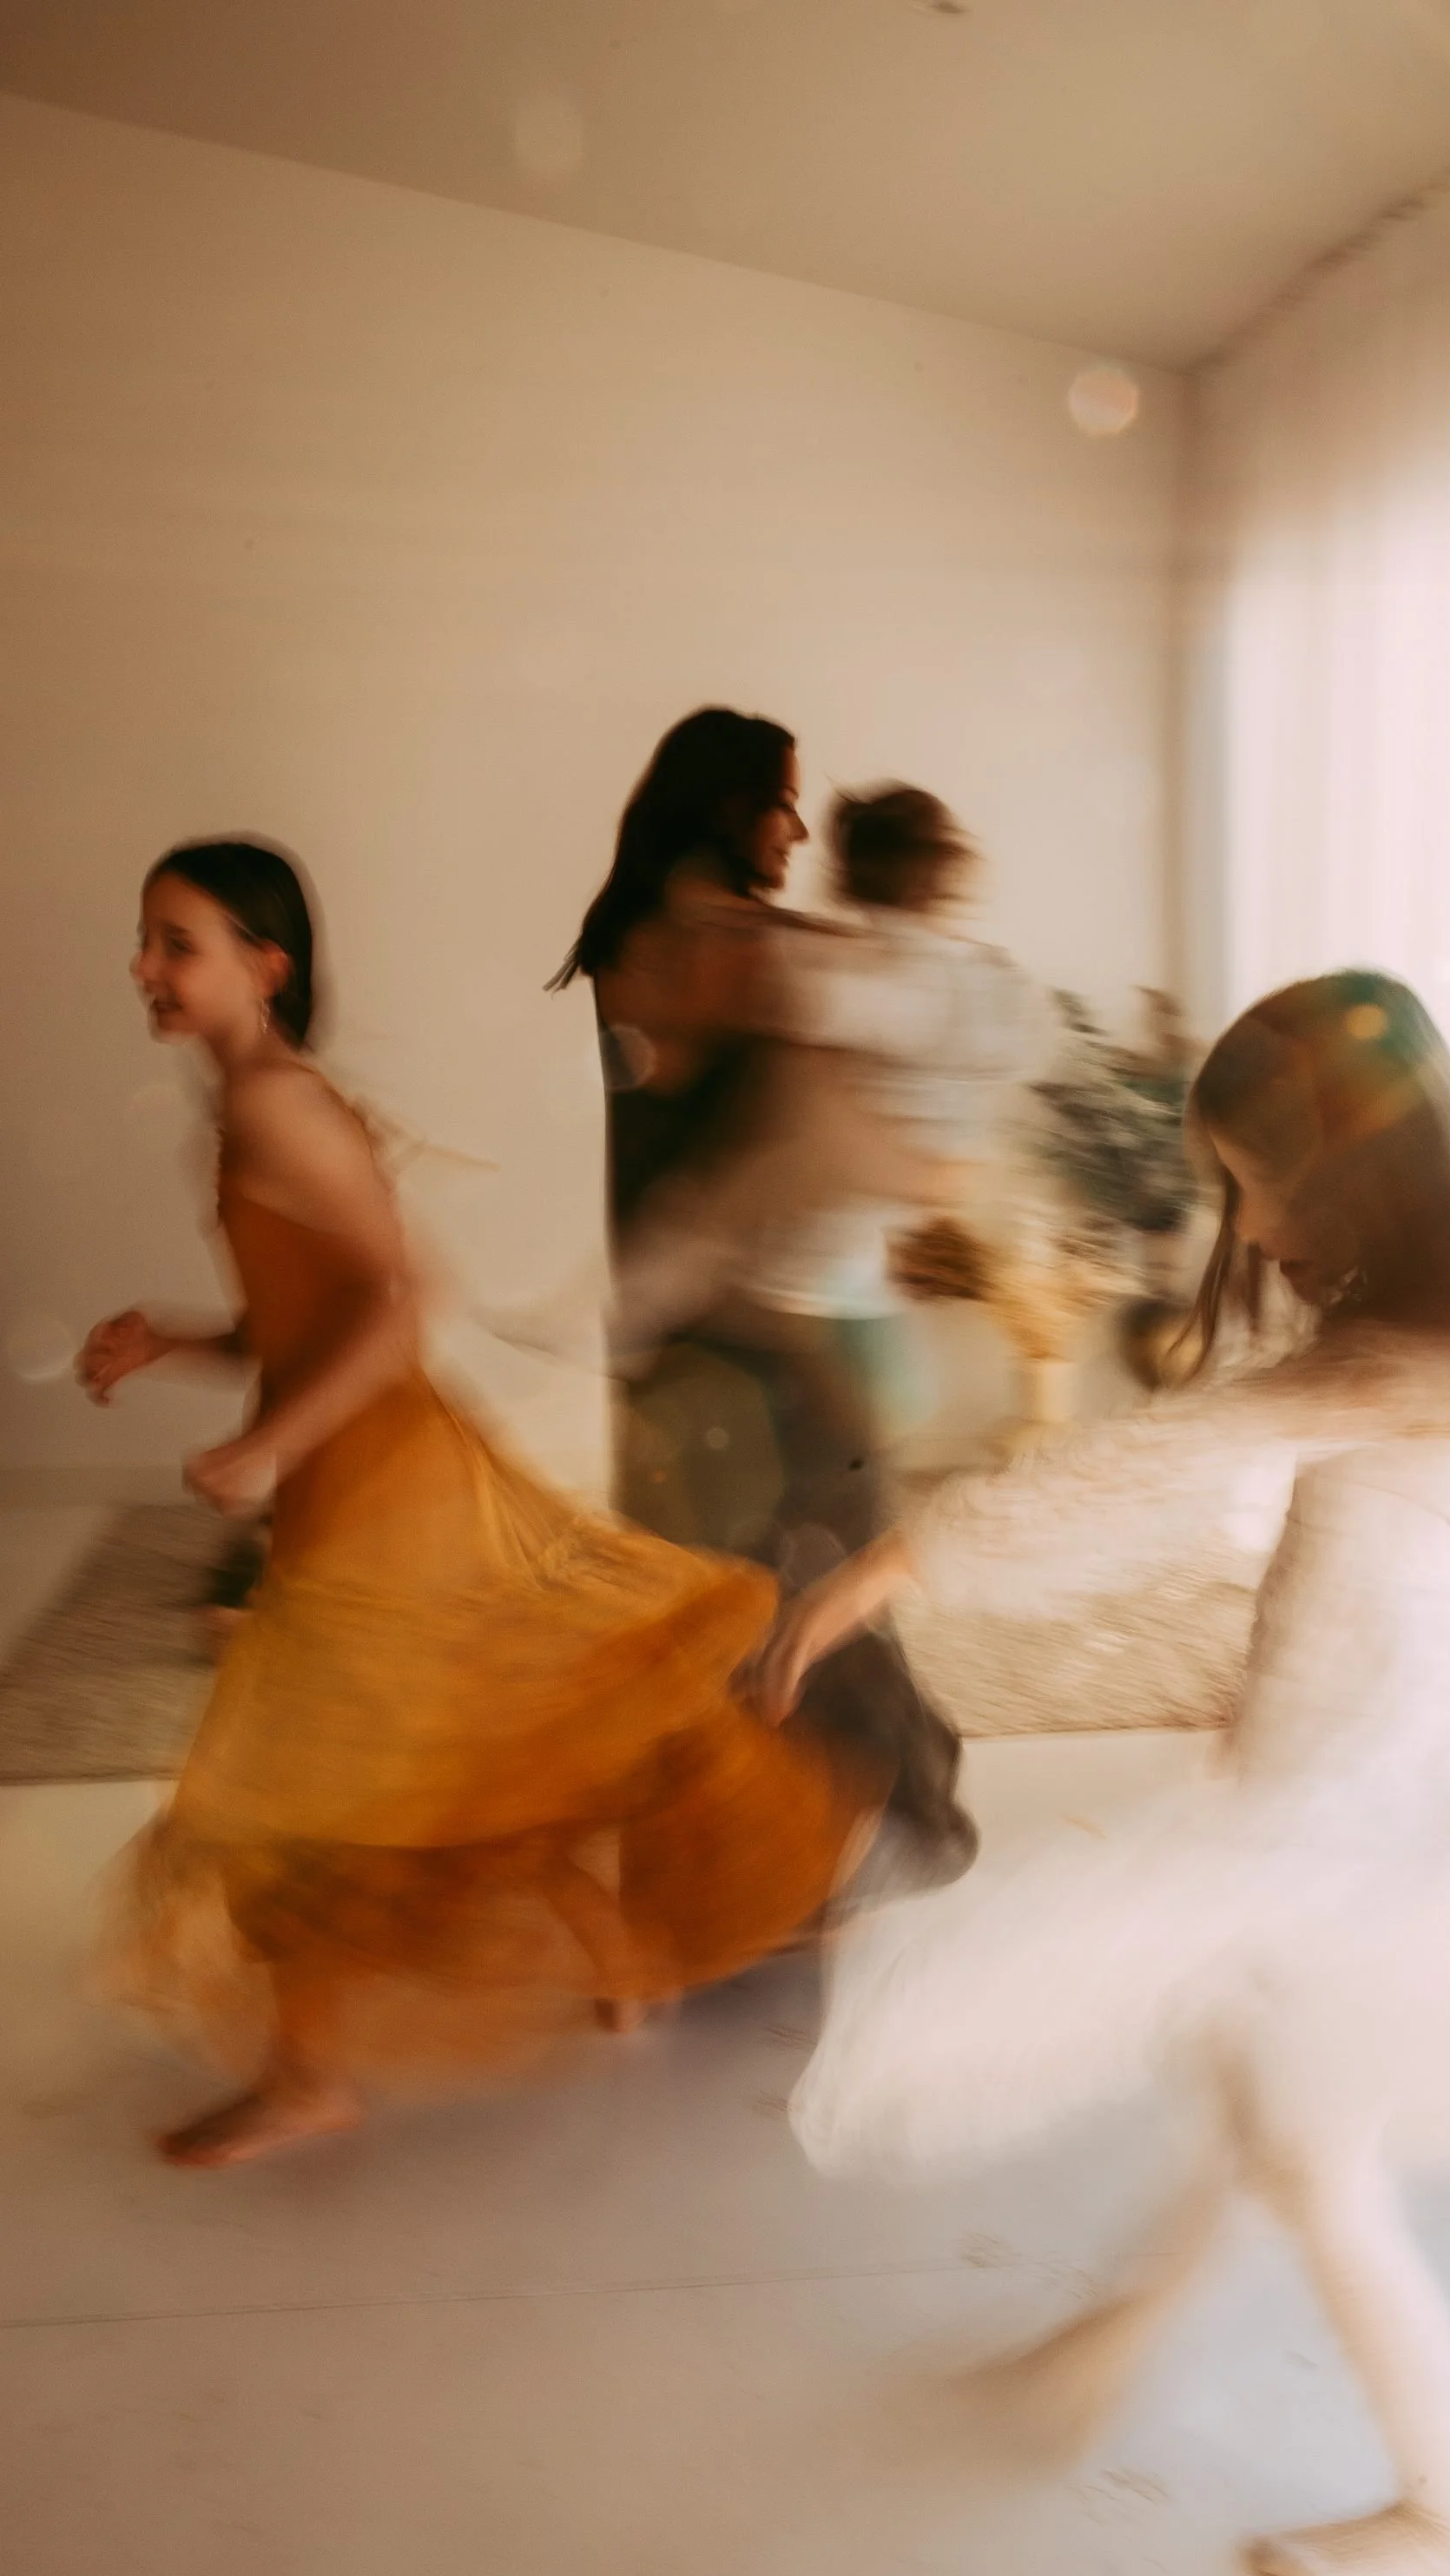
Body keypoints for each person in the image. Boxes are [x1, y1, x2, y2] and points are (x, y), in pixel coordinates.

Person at [753, 971, 1450, 2576]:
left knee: (1300, 2142)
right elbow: (1402, 1575)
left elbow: (1156, 1474)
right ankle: (1119, 2340)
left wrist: (892, 1564)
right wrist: (1279, 1697)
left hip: (1381, 1820)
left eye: (1251, 1175)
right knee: (1271, 2102)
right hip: (1373, 1785)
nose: (1241, 1214)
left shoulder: (1411, 1357)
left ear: (1343, 1169)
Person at [81, 837, 861, 2167]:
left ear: (264, 965)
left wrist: (268, 1440)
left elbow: (402, 1305)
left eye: (176, 942)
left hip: (383, 1485)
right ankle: (615, 1958)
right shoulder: (255, 1102)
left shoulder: (278, 1107)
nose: (144, 968)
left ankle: (310, 2073)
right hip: (370, 1476)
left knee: (311, 1787)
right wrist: (183, 1343)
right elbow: (311, 1320)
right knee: (450, 1749)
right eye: (146, 941)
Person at [553, 713, 976, 1883]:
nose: (796, 826)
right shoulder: (718, 941)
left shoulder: (655, 930)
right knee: (815, 1585)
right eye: (780, 801)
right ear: (726, 803)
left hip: (697, 1335)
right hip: (753, 1337)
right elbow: (782, 1108)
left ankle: (761, 1844)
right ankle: (872, 1822)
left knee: (728, 1597)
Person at [740, 784, 1047, 1438]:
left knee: (870, 1406)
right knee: (878, 1406)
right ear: (940, 868)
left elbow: (804, 1006)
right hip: (870, 1225)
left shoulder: (866, 971)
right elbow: (1018, 1050)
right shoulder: (975, 976)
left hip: (843, 1226)